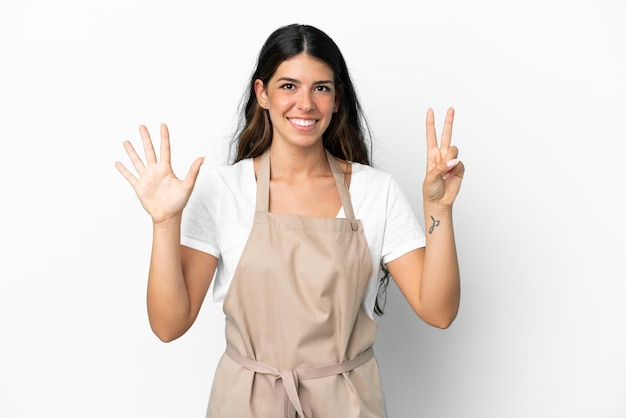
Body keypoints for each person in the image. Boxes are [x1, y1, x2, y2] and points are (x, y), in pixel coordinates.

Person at [116, 23, 464, 418]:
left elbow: (439, 311)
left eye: (321, 87)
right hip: (244, 406)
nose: (306, 103)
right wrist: (165, 224)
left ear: (337, 99)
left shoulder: (375, 192)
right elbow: (168, 325)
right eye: (288, 86)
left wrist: (439, 211)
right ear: (262, 94)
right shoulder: (224, 190)